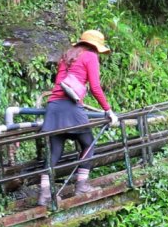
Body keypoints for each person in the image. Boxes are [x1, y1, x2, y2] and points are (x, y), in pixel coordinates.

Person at [38, 29, 118, 207]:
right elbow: (96, 87)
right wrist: (109, 110)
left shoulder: (67, 55)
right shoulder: (90, 57)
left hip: (54, 106)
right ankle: (81, 185)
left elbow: (59, 83)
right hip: (72, 108)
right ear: (95, 46)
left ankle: (44, 194)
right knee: (89, 143)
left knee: (55, 151)